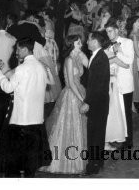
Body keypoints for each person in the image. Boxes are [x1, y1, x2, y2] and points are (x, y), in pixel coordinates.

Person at [0, 38, 54, 177]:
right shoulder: (41, 66)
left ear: (26, 50)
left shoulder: (21, 68)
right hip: (37, 120)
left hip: (21, 121)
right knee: (30, 162)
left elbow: (8, 88)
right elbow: (51, 82)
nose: (16, 52)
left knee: (14, 162)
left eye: (18, 49)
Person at [40, 35, 89, 174]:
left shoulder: (78, 56)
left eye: (80, 42)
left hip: (80, 91)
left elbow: (90, 64)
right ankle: (63, 160)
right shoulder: (68, 60)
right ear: (72, 44)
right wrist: (82, 99)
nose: (81, 44)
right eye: (78, 43)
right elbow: (71, 83)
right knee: (66, 127)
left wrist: (79, 51)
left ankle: (78, 159)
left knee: (79, 127)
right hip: (71, 95)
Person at [80, 31, 110, 175]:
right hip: (100, 101)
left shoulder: (100, 58)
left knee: (95, 134)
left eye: (89, 40)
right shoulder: (97, 56)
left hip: (97, 102)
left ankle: (93, 166)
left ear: (95, 42)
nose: (86, 42)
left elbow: (97, 85)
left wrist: (88, 102)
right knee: (97, 133)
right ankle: (97, 162)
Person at [105, 20, 135, 149]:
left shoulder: (128, 42)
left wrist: (119, 51)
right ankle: (117, 137)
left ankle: (128, 141)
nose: (108, 34)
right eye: (106, 32)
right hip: (112, 83)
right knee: (115, 112)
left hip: (124, 83)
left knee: (126, 112)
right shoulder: (107, 45)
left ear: (117, 30)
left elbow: (129, 61)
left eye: (110, 31)